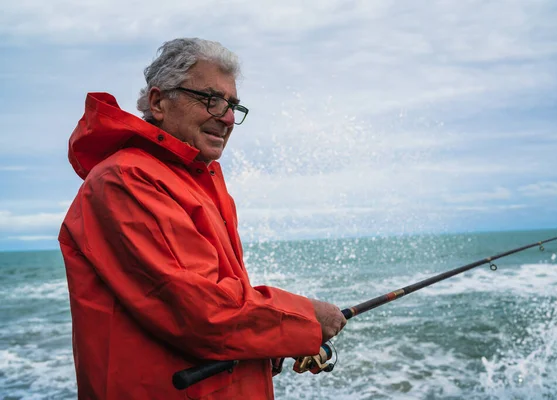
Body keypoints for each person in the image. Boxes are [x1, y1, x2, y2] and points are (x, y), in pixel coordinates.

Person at [58, 38, 346, 400]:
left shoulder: (202, 181)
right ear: (159, 102)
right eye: (211, 99)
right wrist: (305, 321)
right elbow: (199, 310)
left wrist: (270, 343)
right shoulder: (125, 180)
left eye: (233, 105)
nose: (226, 117)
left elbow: (219, 307)